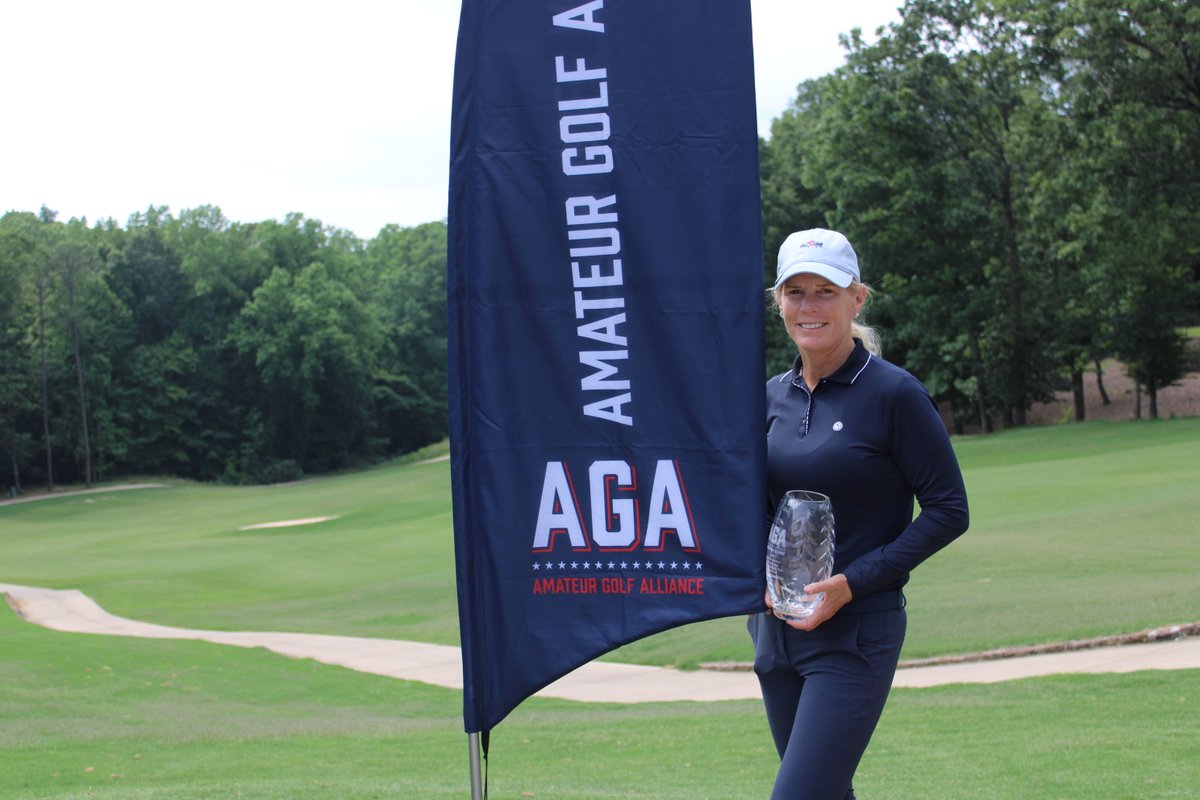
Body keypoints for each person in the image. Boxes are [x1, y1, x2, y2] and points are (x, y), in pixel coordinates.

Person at [748, 228, 970, 799]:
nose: (810, 306)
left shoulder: (893, 394)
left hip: (854, 634)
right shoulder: (768, 397)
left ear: (857, 299)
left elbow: (948, 510)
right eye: (796, 292)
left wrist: (854, 583)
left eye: (826, 290)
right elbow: (751, 506)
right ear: (779, 303)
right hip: (775, 633)